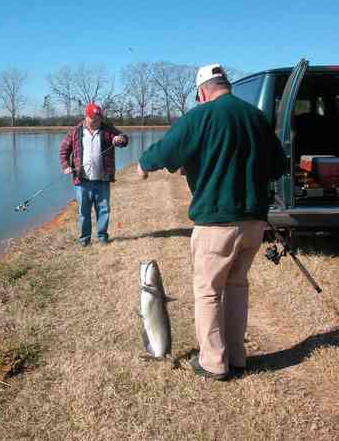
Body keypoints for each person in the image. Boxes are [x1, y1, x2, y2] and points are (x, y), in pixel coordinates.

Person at [138, 63, 286, 380]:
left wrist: (142, 164)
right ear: (225, 84)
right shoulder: (257, 118)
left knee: (208, 291)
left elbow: (163, 153)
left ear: (203, 91)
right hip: (254, 223)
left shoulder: (200, 116)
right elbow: (278, 166)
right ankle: (237, 356)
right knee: (236, 287)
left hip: (217, 224)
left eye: (198, 96)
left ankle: (213, 362)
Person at [59, 102, 128, 247]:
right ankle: (84, 240)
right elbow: (63, 148)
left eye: (98, 119)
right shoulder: (76, 131)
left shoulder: (107, 129)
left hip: (102, 180)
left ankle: (102, 237)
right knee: (83, 212)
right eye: (93, 118)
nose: (96, 121)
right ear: (86, 116)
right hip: (82, 181)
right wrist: (65, 166)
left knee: (104, 210)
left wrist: (120, 139)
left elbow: (124, 139)